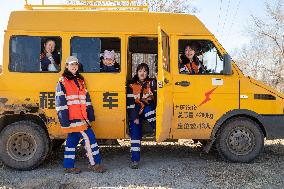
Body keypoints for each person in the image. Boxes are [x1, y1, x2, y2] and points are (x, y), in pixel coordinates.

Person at [55, 56, 106, 174]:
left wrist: (90, 115)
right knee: (90, 139)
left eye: (76, 64)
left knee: (71, 141)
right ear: (66, 66)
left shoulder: (80, 81)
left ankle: (68, 166)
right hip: (74, 118)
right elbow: (60, 103)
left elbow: (86, 100)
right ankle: (95, 164)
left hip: (82, 117)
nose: (74, 66)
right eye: (71, 64)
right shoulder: (62, 81)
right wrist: (64, 121)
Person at [126, 63, 156, 169]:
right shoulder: (131, 85)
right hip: (135, 113)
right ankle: (135, 160)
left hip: (146, 110)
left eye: (144, 71)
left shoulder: (151, 83)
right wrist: (135, 117)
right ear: (137, 72)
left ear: (147, 73)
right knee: (135, 134)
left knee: (149, 110)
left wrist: (143, 101)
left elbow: (153, 100)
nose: (142, 73)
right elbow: (130, 104)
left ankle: (156, 128)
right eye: (140, 71)